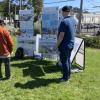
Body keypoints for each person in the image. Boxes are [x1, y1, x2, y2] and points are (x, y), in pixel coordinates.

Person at [56, 6, 77, 82]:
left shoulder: (64, 22)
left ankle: (65, 78)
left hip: (64, 45)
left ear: (63, 12)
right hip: (71, 44)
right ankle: (68, 76)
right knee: (68, 60)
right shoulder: (73, 20)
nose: (61, 13)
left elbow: (61, 36)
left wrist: (56, 46)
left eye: (61, 12)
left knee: (64, 61)